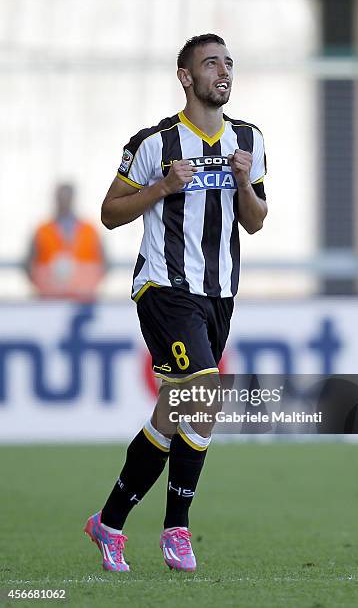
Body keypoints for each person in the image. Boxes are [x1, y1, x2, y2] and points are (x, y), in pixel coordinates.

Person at [84, 33, 268, 573]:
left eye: (228, 62)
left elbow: (255, 221)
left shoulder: (249, 140)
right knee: (206, 389)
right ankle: (177, 529)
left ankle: (110, 522)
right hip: (164, 288)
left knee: (182, 409)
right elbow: (110, 213)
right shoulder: (154, 143)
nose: (224, 70)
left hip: (220, 293)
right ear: (186, 77)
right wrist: (162, 188)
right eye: (211, 63)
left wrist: (243, 185)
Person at [26, 183, 106, 300]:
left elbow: (104, 263)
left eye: (67, 197)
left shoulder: (90, 230)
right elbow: (29, 264)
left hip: (83, 300)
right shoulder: (42, 231)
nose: (64, 201)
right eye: (61, 197)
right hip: (49, 299)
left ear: (73, 198)